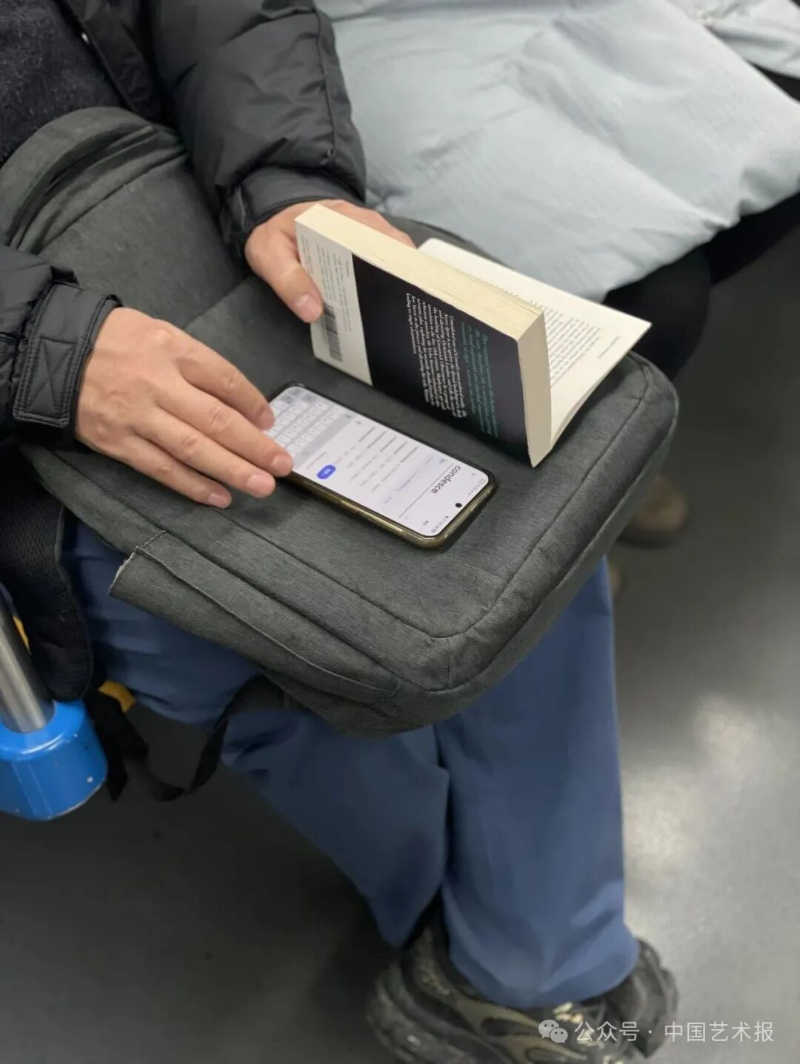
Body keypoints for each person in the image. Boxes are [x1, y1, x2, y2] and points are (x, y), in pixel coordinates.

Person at [0, 3, 676, 1062]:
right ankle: (489, 943)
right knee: (247, 644)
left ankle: (521, 961)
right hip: (31, 390)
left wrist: (287, 177)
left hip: (181, 195)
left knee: (528, 513)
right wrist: (37, 346)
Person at [313, 0, 800, 544]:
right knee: (660, 299)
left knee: (779, 155)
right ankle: (575, 485)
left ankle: (612, 448)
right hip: (361, 29)